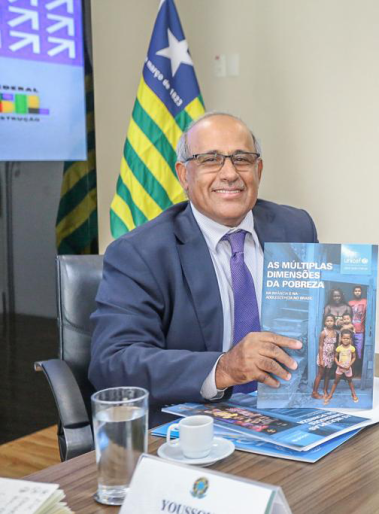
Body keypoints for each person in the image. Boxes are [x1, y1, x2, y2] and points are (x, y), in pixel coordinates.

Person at [89, 112, 318, 426]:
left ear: (258, 170)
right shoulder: (140, 253)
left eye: (242, 159)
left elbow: (317, 321)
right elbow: (112, 362)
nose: (229, 174)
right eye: (211, 159)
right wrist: (223, 368)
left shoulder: (296, 227)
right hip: (194, 426)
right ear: (184, 175)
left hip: (293, 413)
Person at [325, 329, 358, 404]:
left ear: (350, 339)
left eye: (348, 338)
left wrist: (349, 365)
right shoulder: (339, 348)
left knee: (350, 381)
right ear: (341, 338)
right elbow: (335, 357)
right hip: (340, 368)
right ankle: (330, 395)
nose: (345, 340)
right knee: (336, 381)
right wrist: (338, 364)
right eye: (344, 338)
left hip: (348, 368)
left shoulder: (352, 348)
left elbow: (354, 357)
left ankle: (353, 393)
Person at [312, 314, 338, 400]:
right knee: (320, 374)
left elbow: (334, 345)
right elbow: (320, 346)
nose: (330, 322)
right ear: (325, 322)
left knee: (328, 374)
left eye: (331, 321)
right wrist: (321, 359)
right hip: (323, 356)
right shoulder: (323, 333)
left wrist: (334, 356)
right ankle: (314, 392)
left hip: (331, 356)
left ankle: (325, 390)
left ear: (334, 322)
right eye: (328, 321)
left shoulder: (335, 332)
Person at [348, 285, 367, 374]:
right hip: (350, 331)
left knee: (359, 352)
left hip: (360, 332)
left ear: (361, 292)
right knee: (349, 352)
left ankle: (358, 371)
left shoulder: (365, 301)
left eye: (359, 291)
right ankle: (350, 371)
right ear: (353, 292)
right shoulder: (350, 303)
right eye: (355, 291)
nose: (357, 292)